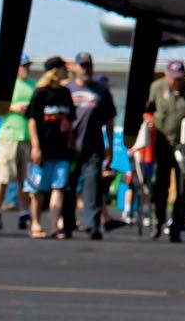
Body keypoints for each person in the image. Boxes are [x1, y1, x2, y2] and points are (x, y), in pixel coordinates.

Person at [146, 59, 185, 242]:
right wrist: (149, 122)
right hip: (162, 142)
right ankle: (157, 221)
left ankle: (177, 225)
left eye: (180, 78)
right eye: (174, 78)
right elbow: (147, 109)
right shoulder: (157, 88)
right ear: (167, 75)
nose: (177, 82)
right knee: (160, 184)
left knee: (183, 187)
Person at [64, 52, 117, 239]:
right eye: (83, 65)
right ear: (76, 68)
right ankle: (67, 223)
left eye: (89, 65)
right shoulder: (67, 90)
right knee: (69, 186)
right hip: (71, 146)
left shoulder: (101, 91)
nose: (86, 69)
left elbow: (110, 120)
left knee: (92, 184)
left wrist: (109, 147)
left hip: (94, 145)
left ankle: (92, 224)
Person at [25, 56, 74, 239]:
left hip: (61, 150)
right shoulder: (40, 93)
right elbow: (32, 121)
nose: (66, 72)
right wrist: (35, 147)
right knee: (38, 190)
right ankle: (36, 223)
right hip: (44, 149)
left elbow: (70, 119)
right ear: (54, 71)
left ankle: (54, 225)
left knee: (58, 187)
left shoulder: (65, 93)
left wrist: (71, 140)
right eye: (63, 68)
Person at [0, 54, 34, 230]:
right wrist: (14, 108)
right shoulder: (5, 85)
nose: (26, 69)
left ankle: (24, 213)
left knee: (25, 179)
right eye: (23, 66)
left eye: (28, 66)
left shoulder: (32, 86)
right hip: (8, 136)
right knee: (3, 177)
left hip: (27, 137)